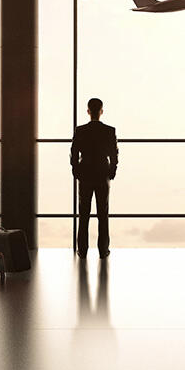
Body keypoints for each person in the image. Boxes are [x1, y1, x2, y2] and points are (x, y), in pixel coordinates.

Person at [70, 98, 118, 258]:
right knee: (103, 214)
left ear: (88, 111)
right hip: (102, 173)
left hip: (85, 175)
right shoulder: (109, 131)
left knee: (84, 214)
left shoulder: (80, 130)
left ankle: (82, 250)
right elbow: (114, 154)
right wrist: (112, 171)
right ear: (101, 111)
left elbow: (74, 153)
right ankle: (103, 250)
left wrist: (76, 170)